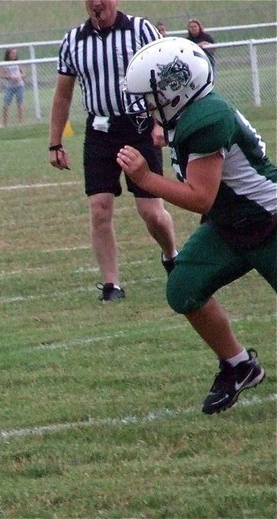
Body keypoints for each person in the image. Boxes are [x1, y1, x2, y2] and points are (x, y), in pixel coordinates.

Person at [118, 37, 274, 413]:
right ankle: (239, 366)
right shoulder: (190, 115)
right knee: (184, 288)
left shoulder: (207, 118)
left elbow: (200, 197)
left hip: (269, 221)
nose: (147, 105)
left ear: (176, 90)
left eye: (151, 96)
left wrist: (146, 178)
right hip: (230, 225)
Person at [48, 0, 178, 302]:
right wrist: (55, 142)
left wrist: (160, 123)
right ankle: (111, 285)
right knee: (99, 209)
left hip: (139, 127)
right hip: (99, 131)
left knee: (151, 212)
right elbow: (63, 95)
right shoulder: (73, 41)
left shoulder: (140, 30)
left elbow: (164, 79)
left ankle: (171, 254)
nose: (97, 3)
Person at [0, 48, 25, 126]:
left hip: (19, 86)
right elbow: (2, 75)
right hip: (10, 87)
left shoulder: (18, 62)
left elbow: (23, 73)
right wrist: (10, 77)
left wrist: (19, 77)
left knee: (19, 104)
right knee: (5, 104)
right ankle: (5, 123)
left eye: (15, 53)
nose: (14, 55)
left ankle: (21, 122)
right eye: (12, 53)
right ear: (8, 54)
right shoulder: (5, 63)